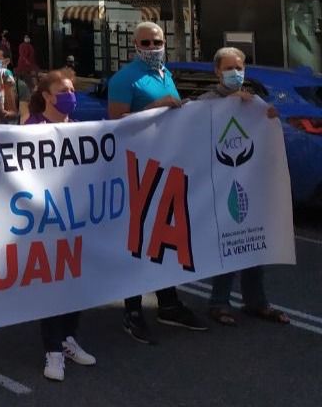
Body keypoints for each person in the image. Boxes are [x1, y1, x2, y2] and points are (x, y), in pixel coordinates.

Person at [107, 21, 205, 343]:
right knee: (138, 241)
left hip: (168, 167)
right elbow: (115, 124)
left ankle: (168, 302)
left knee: (166, 237)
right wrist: (154, 107)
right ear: (136, 46)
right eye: (146, 43)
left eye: (157, 41)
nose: (152, 47)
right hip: (137, 170)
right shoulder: (124, 79)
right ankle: (132, 309)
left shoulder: (166, 74)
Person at [198, 47, 289, 328]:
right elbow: (196, 128)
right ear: (217, 71)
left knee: (253, 242)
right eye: (229, 68)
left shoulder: (253, 102)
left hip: (248, 183)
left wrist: (269, 116)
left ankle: (256, 302)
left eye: (240, 68)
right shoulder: (208, 101)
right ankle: (219, 302)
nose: (236, 73)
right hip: (219, 184)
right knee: (229, 244)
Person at [20, 69, 99, 380]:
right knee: (52, 286)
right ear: (47, 96)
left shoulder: (79, 129)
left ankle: (68, 337)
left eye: (72, 89)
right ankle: (52, 351)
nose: (70, 95)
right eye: (63, 90)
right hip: (45, 221)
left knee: (74, 282)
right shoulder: (33, 129)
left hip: (76, 219)